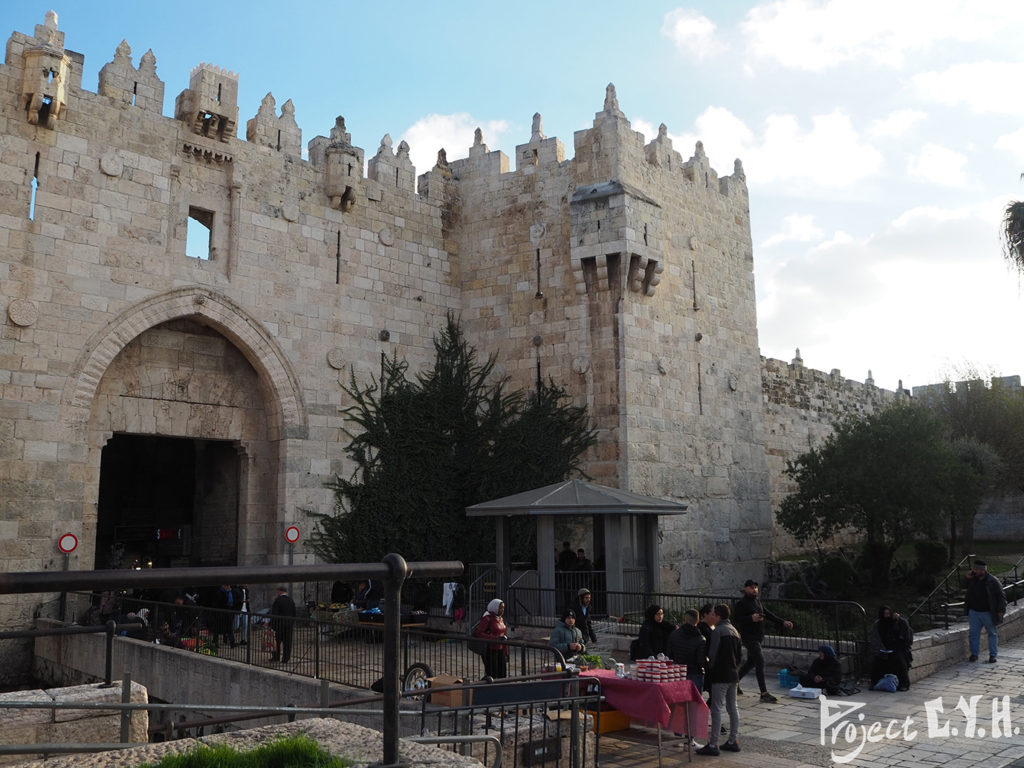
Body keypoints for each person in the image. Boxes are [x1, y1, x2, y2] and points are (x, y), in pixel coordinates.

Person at [733, 579, 792, 703]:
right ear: (745, 589)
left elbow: (767, 614)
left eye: (755, 587)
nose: (754, 589)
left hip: (758, 636)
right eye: (751, 587)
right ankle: (764, 693)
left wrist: (782, 622)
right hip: (748, 637)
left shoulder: (757, 601)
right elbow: (737, 619)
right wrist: (751, 618)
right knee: (760, 660)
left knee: (751, 662)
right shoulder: (741, 604)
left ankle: (734, 682)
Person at [696, 603, 742, 756]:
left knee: (716, 708)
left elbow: (713, 654)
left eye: (714, 614)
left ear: (719, 616)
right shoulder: (735, 631)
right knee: (732, 707)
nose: (712, 617)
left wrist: (709, 668)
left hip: (720, 675)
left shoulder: (718, 631)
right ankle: (732, 740)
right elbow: (740, 656)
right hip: (733, 674)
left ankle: (713, 743)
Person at [964, 559, 1007, 663]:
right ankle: (974, 654)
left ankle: (993, 655)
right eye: (974, 569)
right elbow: (963, 586)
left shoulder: (993, 581)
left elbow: (1001, 596)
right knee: (974, 634)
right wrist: (966, 578)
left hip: (988, 612)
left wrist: (1001, 610)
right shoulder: (973, 579)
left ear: (982, 570)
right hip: (974, 612)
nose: (974, 571)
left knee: (992, 633)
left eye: (976, 569)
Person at [869, 605, 913, 691]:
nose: (887, 616)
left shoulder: (897, 622)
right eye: (885, 614)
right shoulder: (878, 624)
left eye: (888, 614)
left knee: (900, 661)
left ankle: (903, 684)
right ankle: (874, 682)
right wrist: (881, 649)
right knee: (876, 662)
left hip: (896, 648)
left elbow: (907, 632)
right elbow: (874, 639)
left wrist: (899, 620)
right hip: (883, 648)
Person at [669, 609, 707, 695]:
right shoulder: (700, 639)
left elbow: (669, 653)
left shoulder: (674, 634)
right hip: (695, 672)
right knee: (695, 702)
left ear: (685, 619)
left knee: (678, 702)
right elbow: (700, 660)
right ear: (697, 621)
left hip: (678, 671)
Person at [475, 598, 509, 678]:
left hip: (500, 649)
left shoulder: (501, 619)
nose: (502, 610)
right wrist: (495, 638)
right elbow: (479, 633)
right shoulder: (487, 618)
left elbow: (504, 634)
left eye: (503, 608)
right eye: (500, 608)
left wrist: (506, 653)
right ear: (495, 607)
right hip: (490, 650)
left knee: (502, 672)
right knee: (492, 672)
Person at [270, 586, 296, 663]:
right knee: (287, 642)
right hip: (288, 625)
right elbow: (294, 613)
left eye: (277, 592)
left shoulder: (277, 601)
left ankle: (276, 656)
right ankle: (286, 658)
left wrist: (272, 625)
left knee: (276, 641)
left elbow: (275, 614)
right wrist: (291, 623)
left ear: (280, 591)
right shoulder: (291, 600)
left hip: (279, 625)